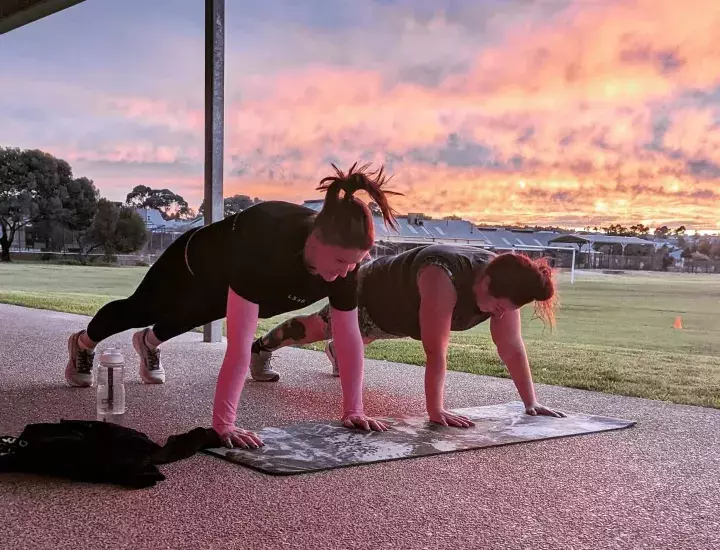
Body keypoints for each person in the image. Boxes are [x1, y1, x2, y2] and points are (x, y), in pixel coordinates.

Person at [64, 162, 401, 449]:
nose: (347, 271)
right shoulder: (267, 243)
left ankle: (149, 341)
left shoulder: (345, 268)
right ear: (316, 239)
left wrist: (354, 410)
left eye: (356, 263)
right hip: (191, 264)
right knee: (141, 308)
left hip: (233, 280)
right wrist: (223, 425)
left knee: (201, 311)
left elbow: (348, 336)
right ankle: (83, 343)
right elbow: (239, 345)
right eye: (342, 260)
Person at [249, 244, 566, 427]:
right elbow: (435, 351)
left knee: (367, 337)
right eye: (497, 307)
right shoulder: (442, 276)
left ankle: (341, 350)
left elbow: (511, 349)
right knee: (315, 328)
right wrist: (436, 410)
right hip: (371, 292)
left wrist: (531, 403)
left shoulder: (505, 284)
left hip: (401, 318)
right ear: (484, 283)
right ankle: (261, 348)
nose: (498, 315)